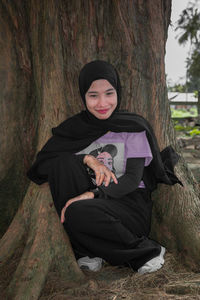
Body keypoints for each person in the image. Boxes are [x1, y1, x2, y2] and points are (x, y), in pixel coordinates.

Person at [27, 60, 182, 274]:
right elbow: (42, 167)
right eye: (93, 95)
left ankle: (147, 251)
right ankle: (86, 251)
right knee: (62, 165)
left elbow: (132, 179)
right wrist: (88, 159)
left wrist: (93, 194)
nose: (102, 102)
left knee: (77, 210)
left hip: (128, 208)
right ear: (83, 96)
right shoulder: (73, 130)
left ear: (118, 92)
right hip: (83, 210)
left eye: (109, 93)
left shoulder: (133, 128)